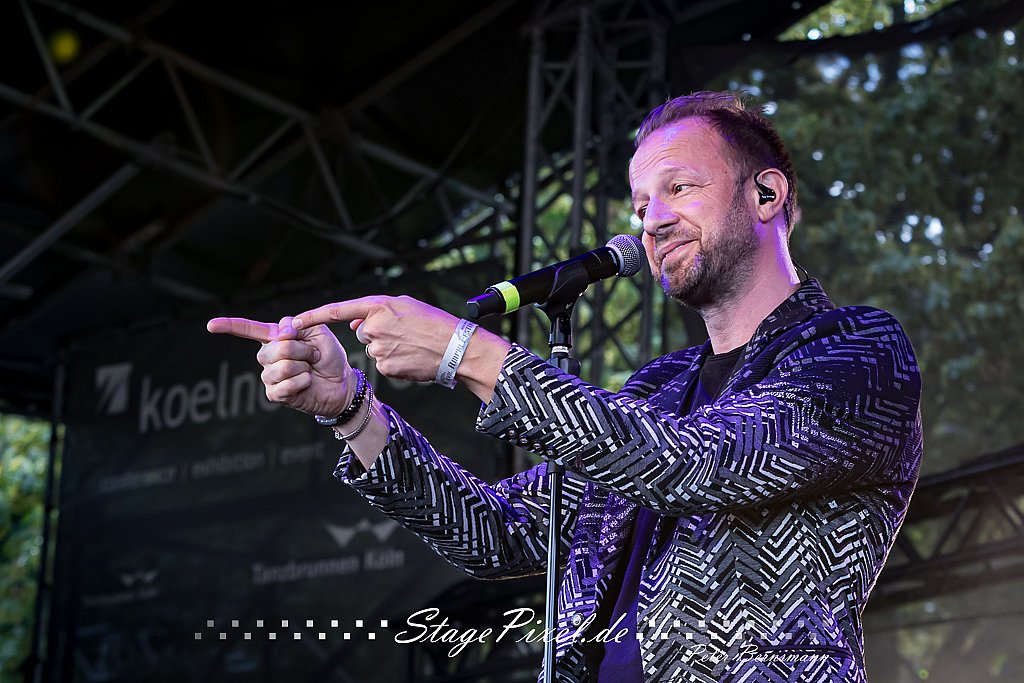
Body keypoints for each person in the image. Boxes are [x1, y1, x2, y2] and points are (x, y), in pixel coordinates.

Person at [208, 91, 922, 683]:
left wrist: (467, 353)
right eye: (640, 204)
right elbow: (502, 533)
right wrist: (353, 410)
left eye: (679, 188)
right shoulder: (658, 390)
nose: (652, 220)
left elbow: (701, 464)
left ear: (765, 194)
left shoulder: (859, 350)